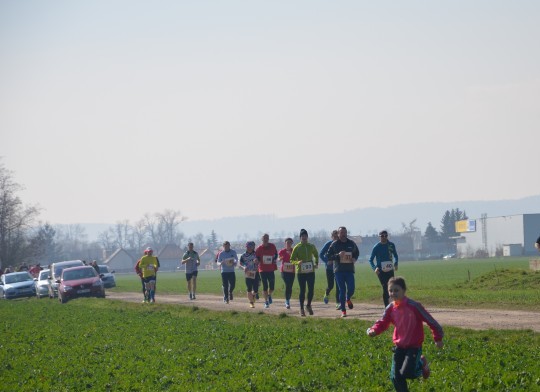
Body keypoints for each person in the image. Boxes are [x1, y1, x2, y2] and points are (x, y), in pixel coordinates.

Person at [367, 276, 444, 392]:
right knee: (396, 377)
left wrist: (438, 338)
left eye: (396, 290)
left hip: (414, 347)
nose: (393, 293)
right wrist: (374, 330)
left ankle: (422, 363)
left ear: (404, 290)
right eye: (390, 290)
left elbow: (430, 320)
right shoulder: (390, 308)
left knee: (408, 372)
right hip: (399, 346)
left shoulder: (414, 306)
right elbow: (382, 322)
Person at [326, 226, 359, 318]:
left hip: (349, 270)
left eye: (345, 232)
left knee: (351, 288)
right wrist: (337, 255)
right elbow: (328, 256)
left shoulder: (351, 243)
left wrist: (354, 258)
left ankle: (348, 298)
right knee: (342, 290)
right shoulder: (334, 244)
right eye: (341, 233)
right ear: (338, 234)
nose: (343, 234)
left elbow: (357, 253)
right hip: (338, 271)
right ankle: (343, 311)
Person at [290, 229, 319, 316]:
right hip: (301, 272)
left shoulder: (311, 246)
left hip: (310, 271)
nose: (304, 237)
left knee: (311, 290)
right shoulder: (297, 247)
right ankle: (301, 308)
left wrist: (316, 263)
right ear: (300, 237)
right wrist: (297, 263)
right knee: (302, 290)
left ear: (307, 237)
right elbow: (291, 260)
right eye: (302, 236)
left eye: (305, 236)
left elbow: (316, 255)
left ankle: (308, 305)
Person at [369, 230, 399, 307]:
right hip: (380, 270)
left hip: (390, 269)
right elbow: (371, 259)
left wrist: (396, 263)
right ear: (379, 237)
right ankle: (387, 307)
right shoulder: (376, 247)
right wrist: (375, 268)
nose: (384, 237)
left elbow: (395, 255)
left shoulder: (391, 245)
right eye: (382, 236)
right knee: (385, 287)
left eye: (386, 236)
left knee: (392, 287)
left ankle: (393, 304)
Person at [255, 234, 278, 309]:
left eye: (267, 238)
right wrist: (257, 261)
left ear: (268, 239)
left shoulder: (272, 246)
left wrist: (274, 259)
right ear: (262, 239)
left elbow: (276, 254)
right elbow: (257, 257)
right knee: (265, 286)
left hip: (271, 269)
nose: (265, 239)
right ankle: (266, 302)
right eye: (264, 238)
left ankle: (269, 295)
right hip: (262, 269)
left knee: (272, 287)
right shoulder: (259, 248)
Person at [319, 230, 340, 309]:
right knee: (331, 285)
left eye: (337, 237)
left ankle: (338, 303)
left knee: (338, 286)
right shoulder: (328, 244)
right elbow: (321, 254)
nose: (336, 238)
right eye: (334, 237)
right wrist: (327, 261)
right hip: (329, 269)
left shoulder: (340, 244)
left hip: (338, 268)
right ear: (332, 237)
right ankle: (326, 293)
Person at [238, 241, 259, 308]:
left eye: (250, 247)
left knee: (255, 289)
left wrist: (257, 262)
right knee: (249, 288)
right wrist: (244, 267)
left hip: (255, 273)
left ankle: (253, 296)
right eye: (248, 247)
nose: (249, 248)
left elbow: (261, 262)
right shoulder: (243, 255)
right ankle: (251, 302)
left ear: (253, 247)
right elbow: (240, 264)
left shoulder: (256, 254)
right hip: (248, 273)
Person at [278, 237, 295, 309]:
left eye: (290, 243)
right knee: (287, 284)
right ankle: (287, 301)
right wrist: (281, 258)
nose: (288, 244)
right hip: (284, 270)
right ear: (285, 243)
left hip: (292, 271)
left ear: (291, 244)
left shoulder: (294, 250)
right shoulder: (282, 251)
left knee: (290, 286)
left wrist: (291, 254)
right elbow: (278, 259)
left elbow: (296, 258)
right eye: (287, 242)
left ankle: (288, 299)